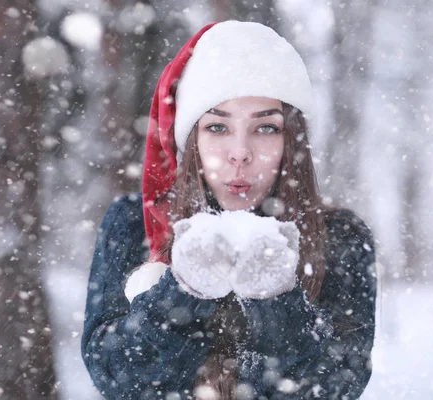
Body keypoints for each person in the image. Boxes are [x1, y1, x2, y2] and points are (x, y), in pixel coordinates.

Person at [81, 20, 377, 400]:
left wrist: (275, 299)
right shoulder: (134, 223)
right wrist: (183, 291)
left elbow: (337, 386)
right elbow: (116, 377)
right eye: (218, 127)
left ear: (292, 139)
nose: (241, 152)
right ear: (192, 138)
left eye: (266, 128)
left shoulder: (339, 236)